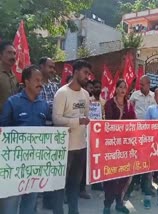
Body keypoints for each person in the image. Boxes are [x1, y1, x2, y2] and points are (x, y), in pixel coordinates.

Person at [0, 65, 50, 214]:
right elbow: (3, 130)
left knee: (30, 204)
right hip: (13, 166)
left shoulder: (44, 105)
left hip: (34, 164)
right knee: (9, 205)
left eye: (41, 80)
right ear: (26, 82)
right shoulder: (12, 102)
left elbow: (48, 129)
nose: (40, 83)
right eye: (36, 80)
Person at [52, 60, 91, 214]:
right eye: (85, 73)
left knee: (75, 184)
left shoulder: (86, 94)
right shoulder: (62, 93)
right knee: (60, 185)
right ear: (75, 72)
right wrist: (77, 121)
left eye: (88, 73)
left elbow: (86, 117)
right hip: (65, 148)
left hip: (81, 146)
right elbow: (56, 119)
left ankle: (73, 211)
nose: (87, 77)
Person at [102, 79, 136, 214]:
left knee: (124, 175)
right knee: (111, 176)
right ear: (115, 89)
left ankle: (119, 202)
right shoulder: (109, 104)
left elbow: (134, 121)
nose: (122, 89)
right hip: (112, 145)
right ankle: (107, 204)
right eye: (120, 87)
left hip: (126, 146)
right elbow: (109, 122)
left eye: (124, 87)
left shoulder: (129, 105)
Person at [126, 75, 156, 199]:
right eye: (140, 84)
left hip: (149, 133)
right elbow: (129, 109)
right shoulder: (135, 95)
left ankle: (146, 187)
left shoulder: (154, 96)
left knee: (148, 161)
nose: (140, 86)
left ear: (148, 84)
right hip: (136, 131)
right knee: (135, 159)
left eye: (143, 84)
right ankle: (131, 187)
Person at [38, 57, 61, 210]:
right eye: (50, 67)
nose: (53, 70)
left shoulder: (55, 87)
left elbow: (59, 107)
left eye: (54, 67)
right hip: (40, 129)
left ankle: (49, 199)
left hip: (55, 130)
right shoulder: (36, 85)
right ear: (41, 67)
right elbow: (41, 107)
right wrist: (54, 108)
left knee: (51, 166)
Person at [0, 41, 18, 113]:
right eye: (9, 53)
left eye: (14, 53)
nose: (13, 56)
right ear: (0, 55)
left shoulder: (13, 76)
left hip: (11, 118)